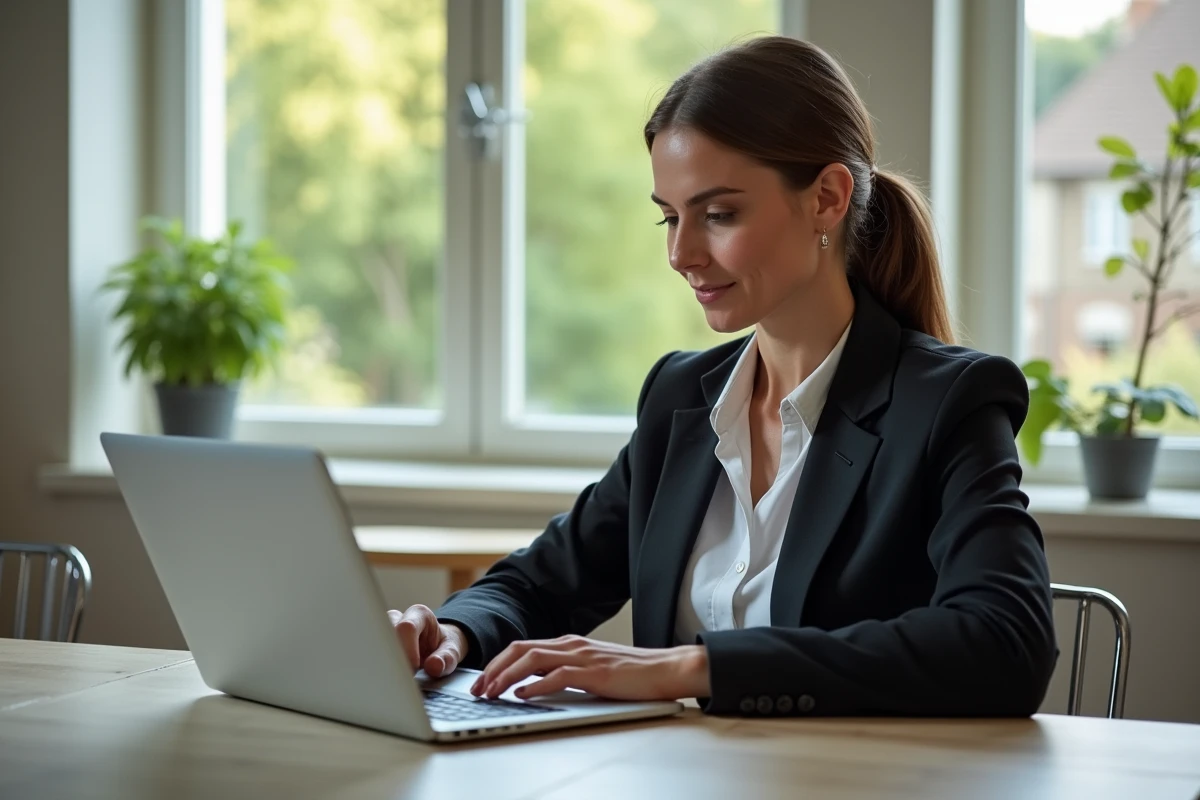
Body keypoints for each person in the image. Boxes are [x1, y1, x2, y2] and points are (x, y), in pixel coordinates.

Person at [388, 35, 1057, 717]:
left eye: (718, 214)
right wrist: (453, 630)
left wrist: (692, 667)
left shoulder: (947, 402)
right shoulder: (681, 398)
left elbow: (1007, 642)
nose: (681, 254)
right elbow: (542, 582)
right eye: (670, 217)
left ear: (826, 198)